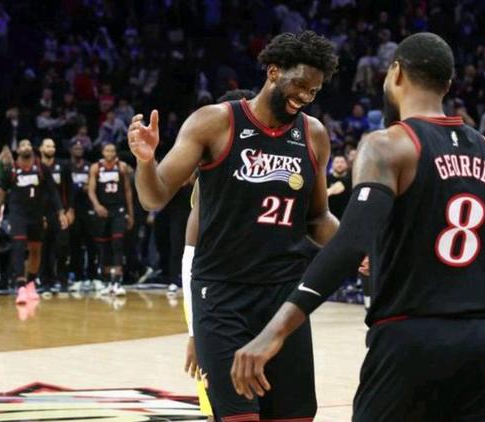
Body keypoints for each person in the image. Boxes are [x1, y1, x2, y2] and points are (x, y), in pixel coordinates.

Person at [230, 32, 485, 421]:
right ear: (447, 85)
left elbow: (349, 245)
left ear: (395, 73)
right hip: (483, 345)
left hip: (408, 340)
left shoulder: (389, 145)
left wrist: (275, 330)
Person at [128, 31, 338, 421]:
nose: (305, 96)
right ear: (273, 72)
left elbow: (317, 218)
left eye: (314, 91)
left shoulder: (314, 135)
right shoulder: (214, 122)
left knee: (295, 417)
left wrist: (359, 247)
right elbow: (153, 197)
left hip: (284, 298)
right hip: (223, 297)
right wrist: (145, 161)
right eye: (300, 85)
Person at [182, 88, 257, 422]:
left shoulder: (273, 171)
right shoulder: (209, 181)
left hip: (264, 299)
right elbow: (190, 258)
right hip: (218, 304)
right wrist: (194, 332)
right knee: (221, 410)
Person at [0, 139, 68, 304]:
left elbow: (53, 191)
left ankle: (30, 283)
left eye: (28, 145)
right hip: (18, 215)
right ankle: (20, 286)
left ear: (32, 149)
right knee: (18, 248)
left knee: (36, 250)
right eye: (22, 145)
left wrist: (60, 212)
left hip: (37, 215)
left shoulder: (41, 168)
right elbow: (1, 193)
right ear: (18, 151)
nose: (26, 147)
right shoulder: (11, 170)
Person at [87, 143, 134, 296]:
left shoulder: (122, 167)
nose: (110, 153)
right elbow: (91, 190)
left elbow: (127, 190)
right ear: (102, 152)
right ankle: (107, 281)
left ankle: (117, 280)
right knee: (104, 246)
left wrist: (130, 213)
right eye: (107, 150)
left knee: (117, 243)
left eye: (112, 150)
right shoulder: (96, 167)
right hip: (103, 210)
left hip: (118, 210)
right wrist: (97, 206)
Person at [39, 138, 74, 296]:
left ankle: (63, 280)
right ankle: (45, 282)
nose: (51, 148)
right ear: (41, 148)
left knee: (62, 247)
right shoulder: (36, 166)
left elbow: (70, 189)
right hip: (42, 213)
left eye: (53, 146)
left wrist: (70, 210)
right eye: (47, 146)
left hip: (61, 213)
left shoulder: (63, 165)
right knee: (44, 248)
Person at [68, 141, 97, 289]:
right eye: (76, 148)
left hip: (88, 208)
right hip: (72, 208)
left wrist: (80, 187)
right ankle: (77, 276)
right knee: (75, 244)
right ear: (70, 150)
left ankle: (92, 276)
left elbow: (91, 186)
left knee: (92, 243)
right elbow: (68, 187)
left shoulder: (89, 166)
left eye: (81, 148)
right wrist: (80, 187)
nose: (79, 150)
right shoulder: (67, 166)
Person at [326, 154, 352, 219]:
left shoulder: (350, 179)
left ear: (347, 164)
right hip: (329, 217)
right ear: (332, 164)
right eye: (337, 162)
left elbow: (338, 187)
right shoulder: (325, 179)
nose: (339, 165)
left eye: (342, 162)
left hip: (346, 217)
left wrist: (327, 192)